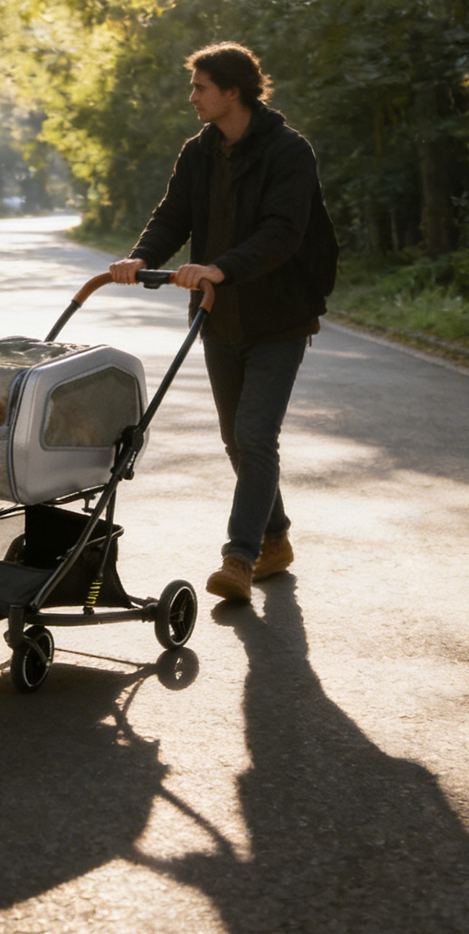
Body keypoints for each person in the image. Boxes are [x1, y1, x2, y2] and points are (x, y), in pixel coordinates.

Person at [109, 43, 338, 603]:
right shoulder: (200, 152)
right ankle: (277, 537)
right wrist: (143, 256)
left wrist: (221, 267)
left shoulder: (289, 152)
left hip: (279, 315)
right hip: (218, 316)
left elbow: (284, 231)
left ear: (231, 92)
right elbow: (174, 214)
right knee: (239, 440)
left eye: (200, 88)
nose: (193, 98)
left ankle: (240, 556)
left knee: (256, 434)